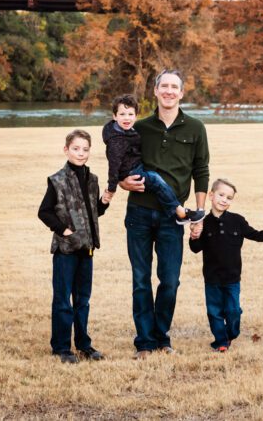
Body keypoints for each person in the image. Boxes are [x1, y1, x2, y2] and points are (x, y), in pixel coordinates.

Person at [117, 69, 210, 358]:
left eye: (174, 87)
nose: (169, 91)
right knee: (141, 279)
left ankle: (162, 336)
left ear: (182, 93)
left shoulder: (195, 129)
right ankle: (145, 342)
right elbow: (122, 166)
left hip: (175, 218)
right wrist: (122, 182)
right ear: (155, 91)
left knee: (170, 280)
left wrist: (200, 213)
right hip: (140, 213)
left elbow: (201, 172)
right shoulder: (139, 128)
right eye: (164, 86)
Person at [37, 129, 112, 363]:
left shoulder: (93, 180)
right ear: (66, 150)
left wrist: (103, 203)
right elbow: (44, 212)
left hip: (86, 248)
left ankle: (83, 344)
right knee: (62, 300)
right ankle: (61, 347)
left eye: (85, 149)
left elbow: (93, 212)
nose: (81, 153)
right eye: (76, 148)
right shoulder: (57, 180)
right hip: (66, 249)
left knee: (83, 300)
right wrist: (63, 230)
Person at [189, 178, 263, 352]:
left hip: (232, 277)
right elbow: (195, 249)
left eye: (229, 198)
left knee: (233, 311)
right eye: (221, 195)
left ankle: (231, 334)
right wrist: (194, 236)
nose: (224, 200)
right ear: (211, 196)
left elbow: (256, 234)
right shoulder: (203, 223)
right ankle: (221, 341)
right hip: (212, 278)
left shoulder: (237, 221)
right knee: (214, 312)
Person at [103, 94, 205, 225]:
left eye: (130, 114)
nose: (127, 118)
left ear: (136, 115)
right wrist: (114, 186)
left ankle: (178, 210)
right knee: (156, 180)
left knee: (156, 180)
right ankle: (179, 211)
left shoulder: (128, 130)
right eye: (122, 114)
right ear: (114, 116)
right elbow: (114, 164)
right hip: (131, 173)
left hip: (136, 167)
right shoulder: (116, 140)